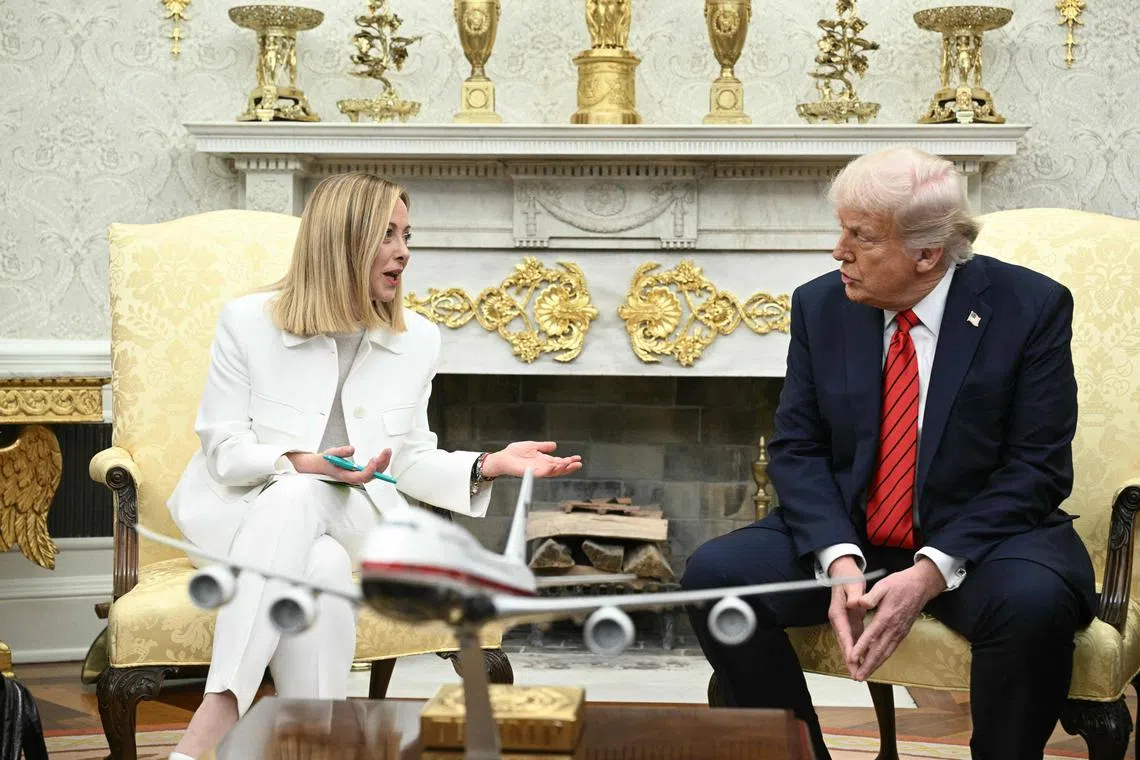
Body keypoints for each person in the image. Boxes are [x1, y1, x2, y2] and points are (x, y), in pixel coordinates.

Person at [682, 147, 1095, 760]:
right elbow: (798, 447)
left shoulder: (1029, 307)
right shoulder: (821, 305)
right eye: (841, 229)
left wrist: (930, 571)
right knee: (716, 577)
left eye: (861, 236)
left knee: (1033, 605)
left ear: (927, 253)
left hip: (982, 540)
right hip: (859, 532)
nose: (838, 251)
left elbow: (1037, 467)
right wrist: (840, 561)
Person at [165, 172, 583, 760]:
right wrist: (305, 462)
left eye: (407, 234)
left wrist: (489, 464)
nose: (404, 251)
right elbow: (224, 449)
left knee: (308, 506)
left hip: (361, 515)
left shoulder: (417, 340)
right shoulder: (248, 322)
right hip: (242, 519)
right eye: (387, 234)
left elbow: (409, 460)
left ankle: (219, 711)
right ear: (343, 240)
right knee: (320, 560)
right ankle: (318, 744)